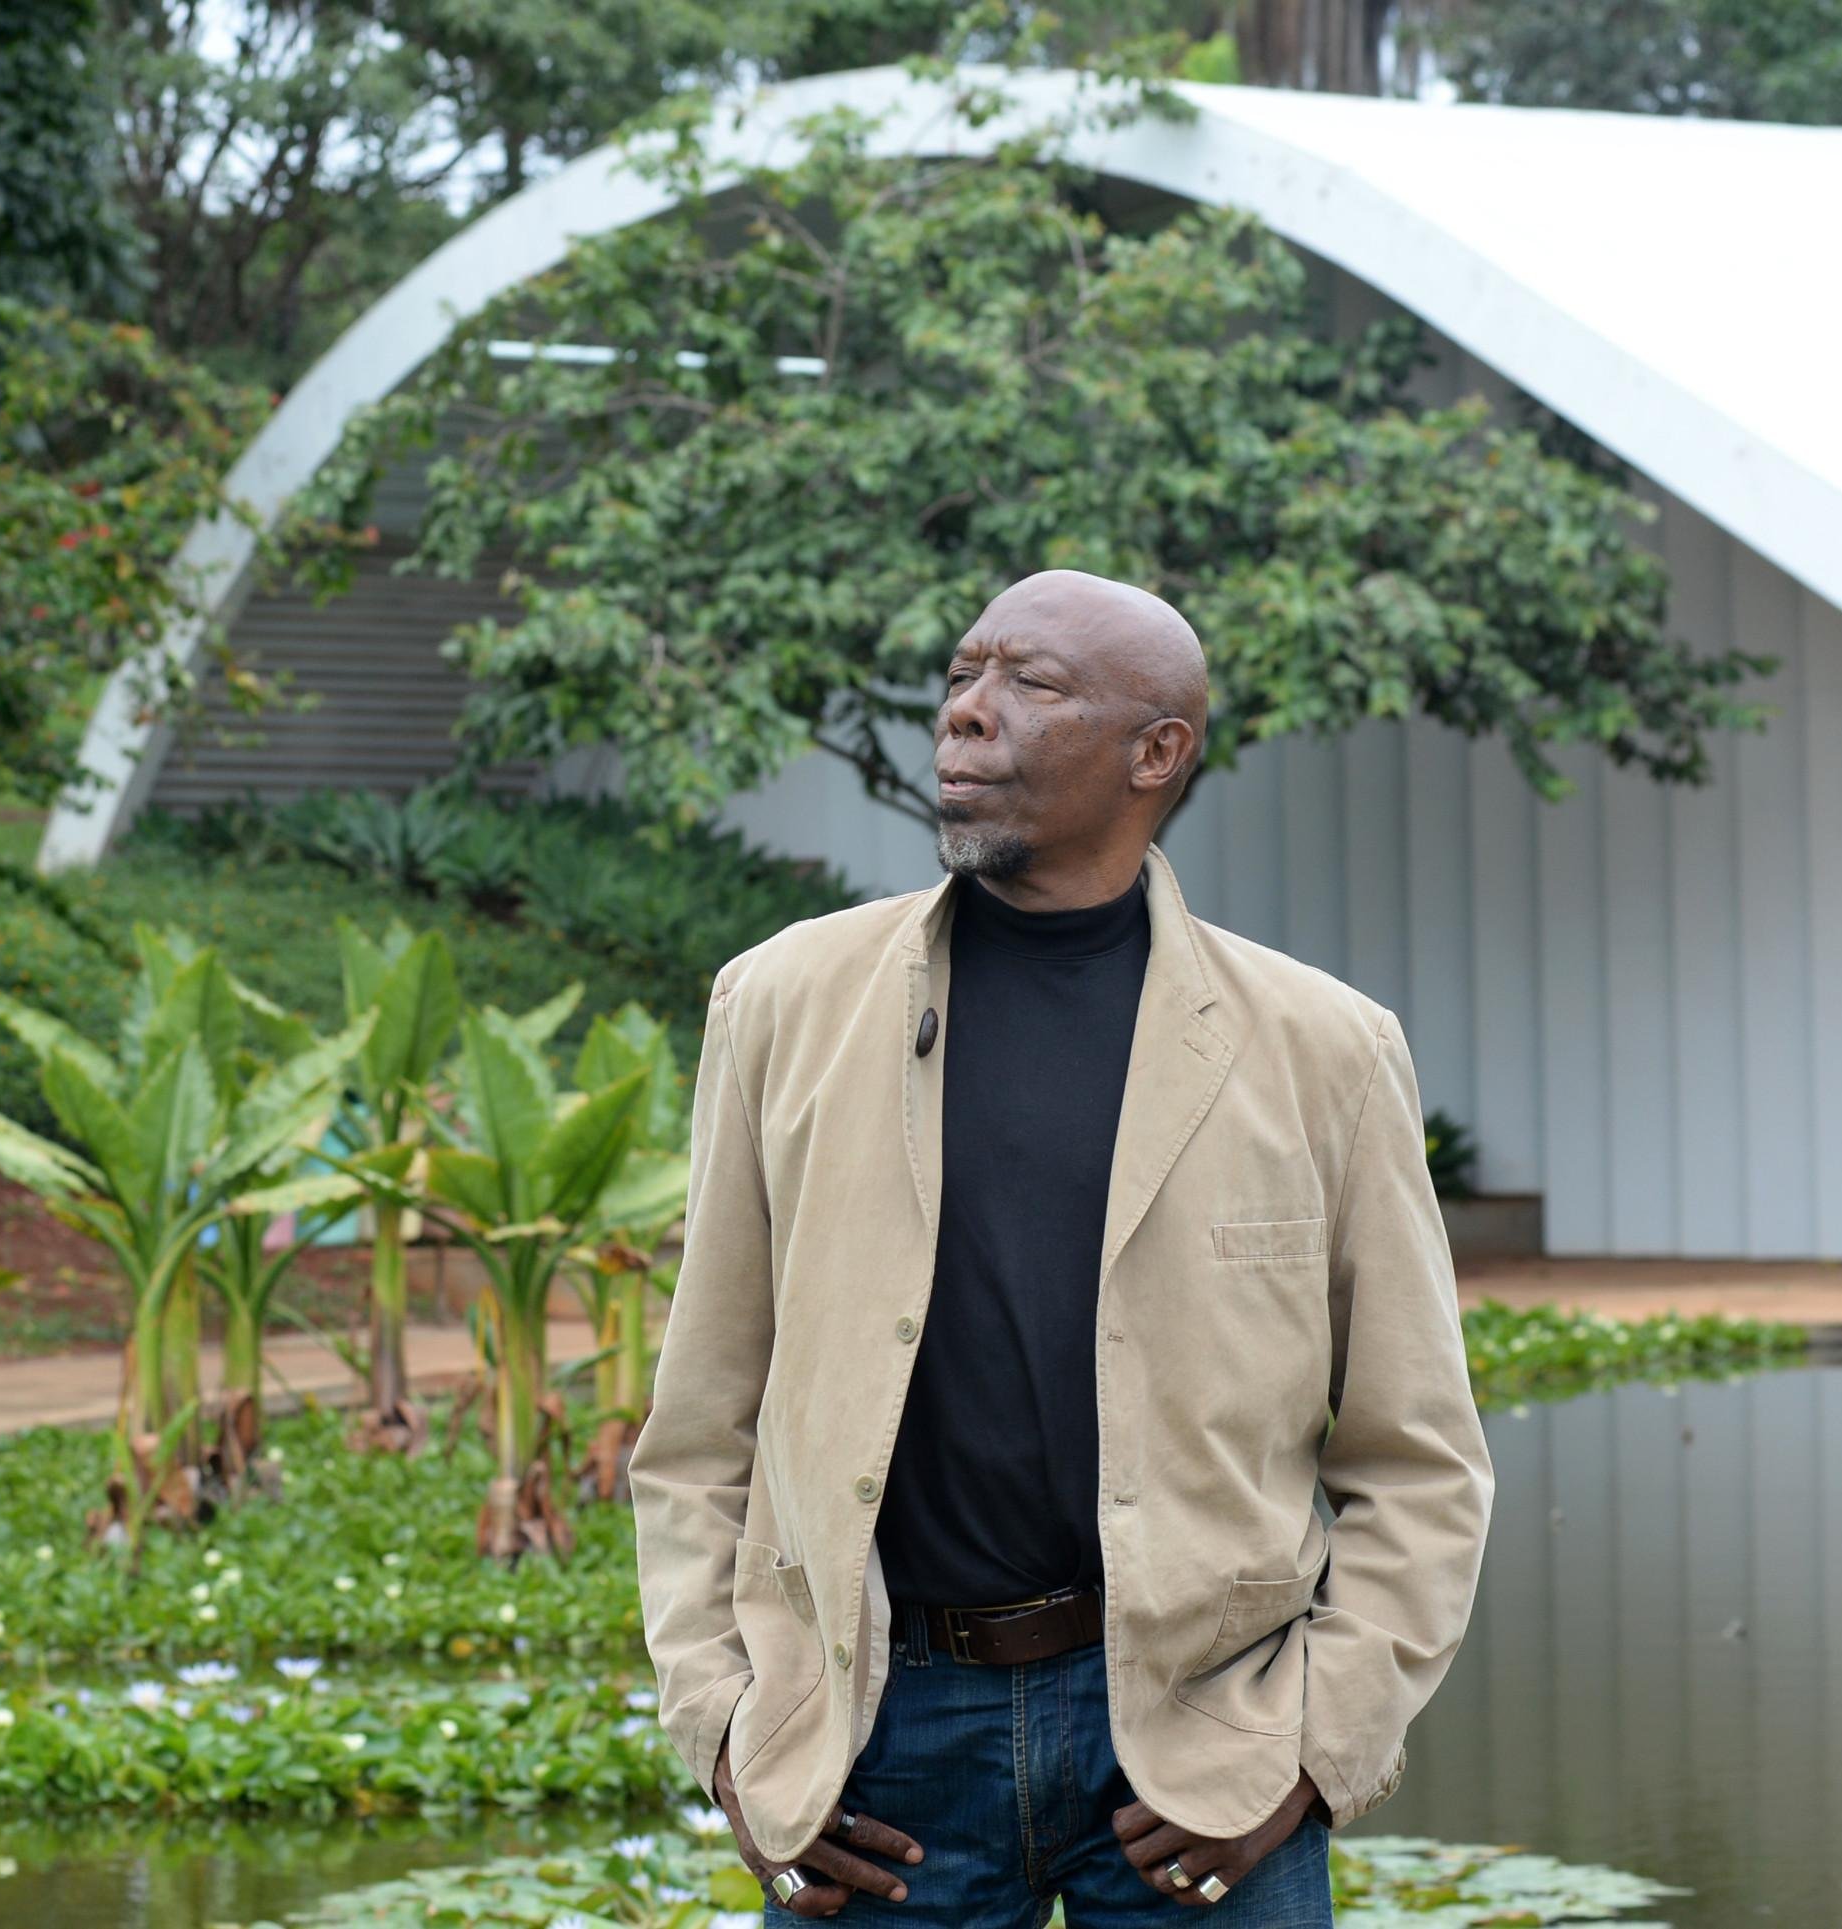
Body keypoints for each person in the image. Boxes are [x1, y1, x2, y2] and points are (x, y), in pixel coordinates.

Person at [627, 570, 1496, 1924]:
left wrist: (1319, 1753)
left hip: (1209, 1739)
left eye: (1030, 684)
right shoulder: (782, 1003)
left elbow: (1421, 1460)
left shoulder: (1325, 1049)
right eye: (963, 676)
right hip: (873, 1747)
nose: (967, 713)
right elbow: (697, 1435)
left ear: (1157, 752)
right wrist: (727, 1729)